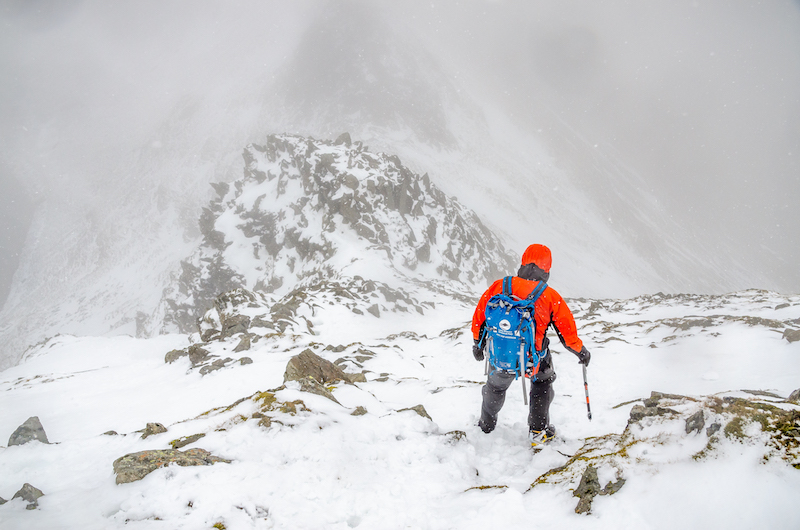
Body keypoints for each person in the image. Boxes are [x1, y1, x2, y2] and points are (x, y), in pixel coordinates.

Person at [471, 244, 590, 445]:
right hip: (533, 359)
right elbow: (567, 335)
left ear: (523, 262)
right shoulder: (549, 295)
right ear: (546, 269)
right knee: (543, 383)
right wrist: (582, 352)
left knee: (495, 387)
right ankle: (538, 432)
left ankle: (486, 425)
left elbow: (480, 317)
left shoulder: (500, 286)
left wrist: (477, 344)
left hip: (501, 353)